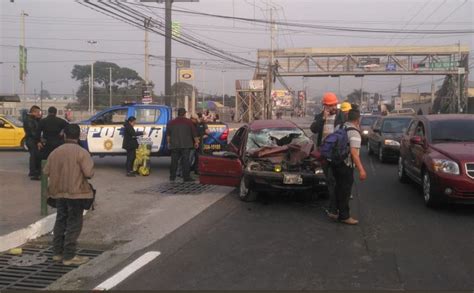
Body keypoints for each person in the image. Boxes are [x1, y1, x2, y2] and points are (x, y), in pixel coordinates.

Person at [43, 124, 94, 265]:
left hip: (58, 193)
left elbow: (46, 171)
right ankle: (69, 256)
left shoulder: (55, 152)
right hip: (77, 194)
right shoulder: (82, 152)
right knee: (74, 223)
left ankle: (57, 253)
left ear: (64, 135)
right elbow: (89, 173)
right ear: (78, 136)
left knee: (60, 221)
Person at [327, 109, 367, 225]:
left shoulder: (339, 127)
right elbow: (354, 154)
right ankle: (344, 216)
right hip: (346, 164)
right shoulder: (354, 133)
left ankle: (334, 211)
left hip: (335, 162)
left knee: (338, 188)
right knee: (345, 191)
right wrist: (361, 170)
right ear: (357, 119)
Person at [167, 108, 199, 182]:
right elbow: (194, 133)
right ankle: (186, 177)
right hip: (186, 145)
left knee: (174, 161)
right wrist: (196, 142)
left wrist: (169, 143)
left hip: (174, 145)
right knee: (185, 162)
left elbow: (168, 135)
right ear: (184, 113)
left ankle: (172, 177)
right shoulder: (189, 122)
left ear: (178, 113)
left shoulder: (171, 122)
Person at [24, 105, 42, 180]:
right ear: (33, 112)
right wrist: (38, 139)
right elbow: (32, 132)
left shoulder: (34, 119)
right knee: (34, 155)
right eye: (38, 112)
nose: (39, 114)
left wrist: (39, 119)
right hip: (31, 140)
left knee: (34, 155)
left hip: (32, 139)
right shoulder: (29, 120)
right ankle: (33, 172)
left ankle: (34, 171)